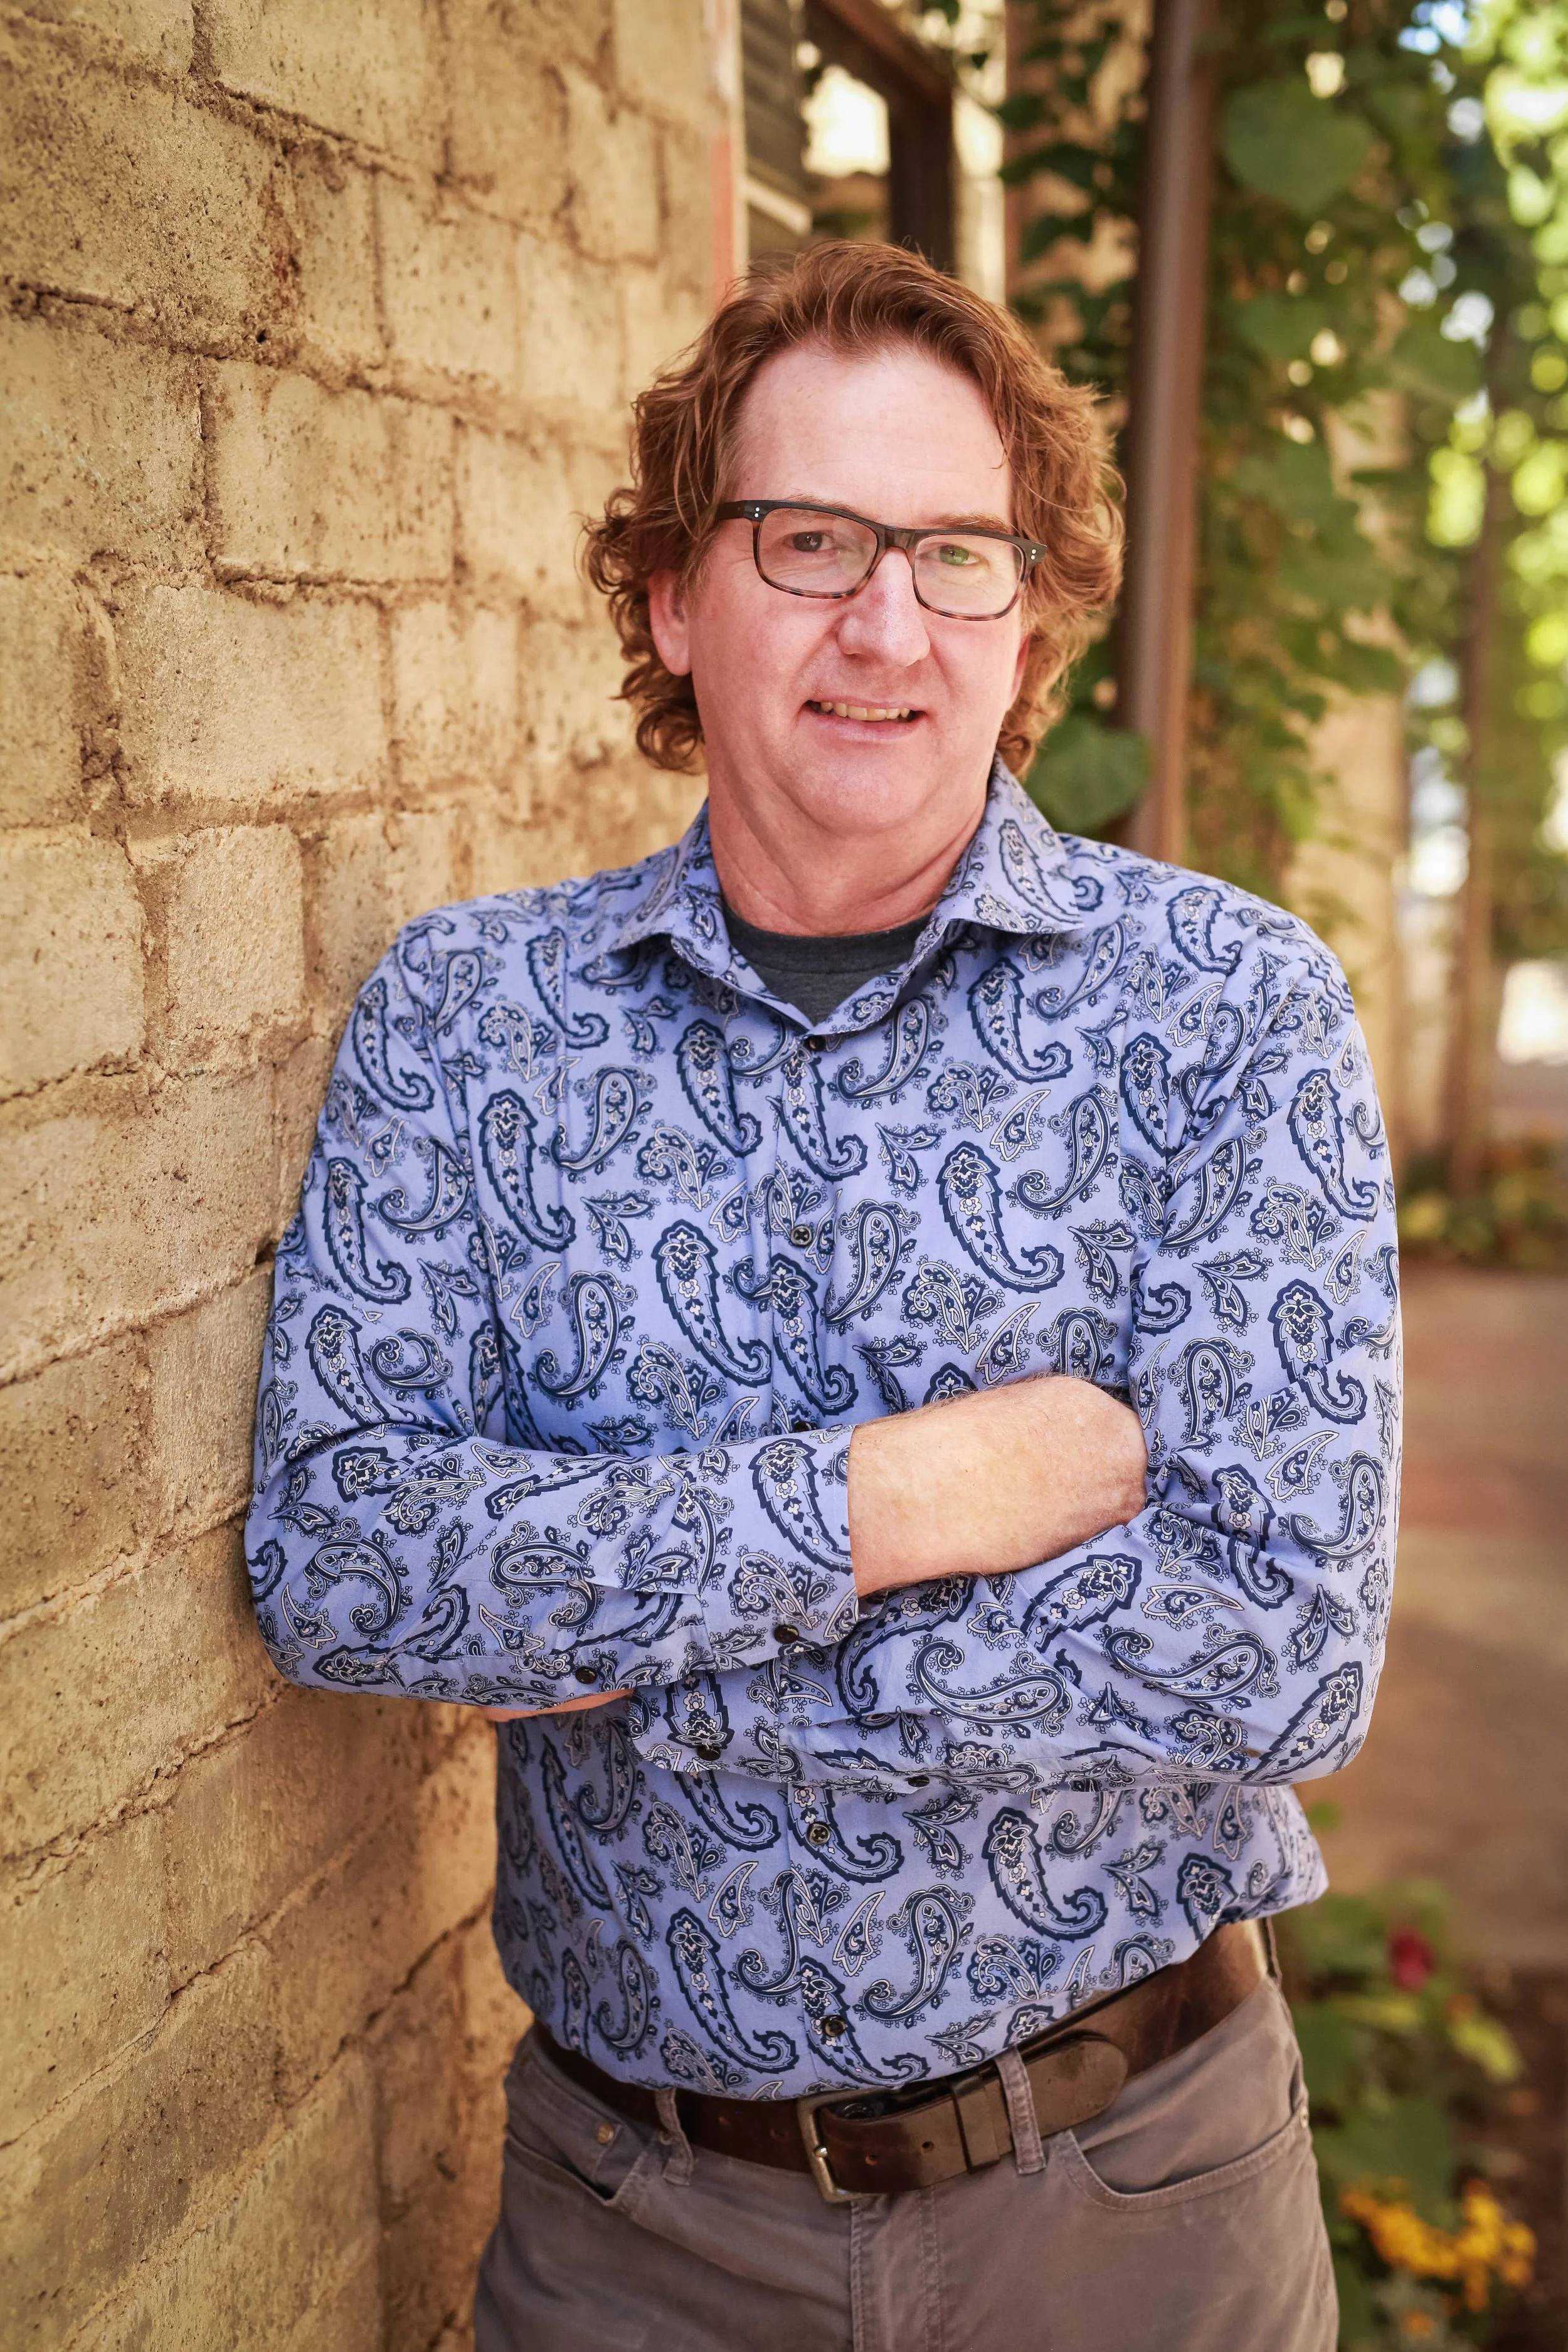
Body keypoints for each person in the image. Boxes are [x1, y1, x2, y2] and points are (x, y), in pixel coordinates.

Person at [245, 240, 1398, 2351]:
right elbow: (346, 1556)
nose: (886, 622)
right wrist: (915, 1497)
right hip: (634, 2236)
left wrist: (626, 1634)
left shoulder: (1226, 1016)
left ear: (1030, 609)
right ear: (673, 596)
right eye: (808, 540)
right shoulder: (471, 1023)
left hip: (1127, 2206)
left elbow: (1277, 1651)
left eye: (957, 552)